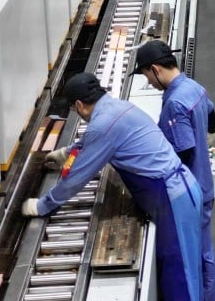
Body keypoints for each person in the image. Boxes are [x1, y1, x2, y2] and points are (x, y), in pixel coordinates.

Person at [23, 73, 203, 301]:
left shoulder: (103, 124)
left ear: (79, 105)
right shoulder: (118, 107)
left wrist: (42, 205)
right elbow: (94, 138)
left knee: (181, 278)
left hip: (173, 198)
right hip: (180, 191)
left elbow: (77, 178)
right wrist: (68, 152)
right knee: (185, 270)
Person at [135, 40, 215, 301]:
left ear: (156, 69)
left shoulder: (174, 103)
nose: (149, 82)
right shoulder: (194, 87)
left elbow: (180, 153)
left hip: (189, 191)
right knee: (205, 250)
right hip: (204, 183)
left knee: (192, 258)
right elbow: (213, 121)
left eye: (147, 76)